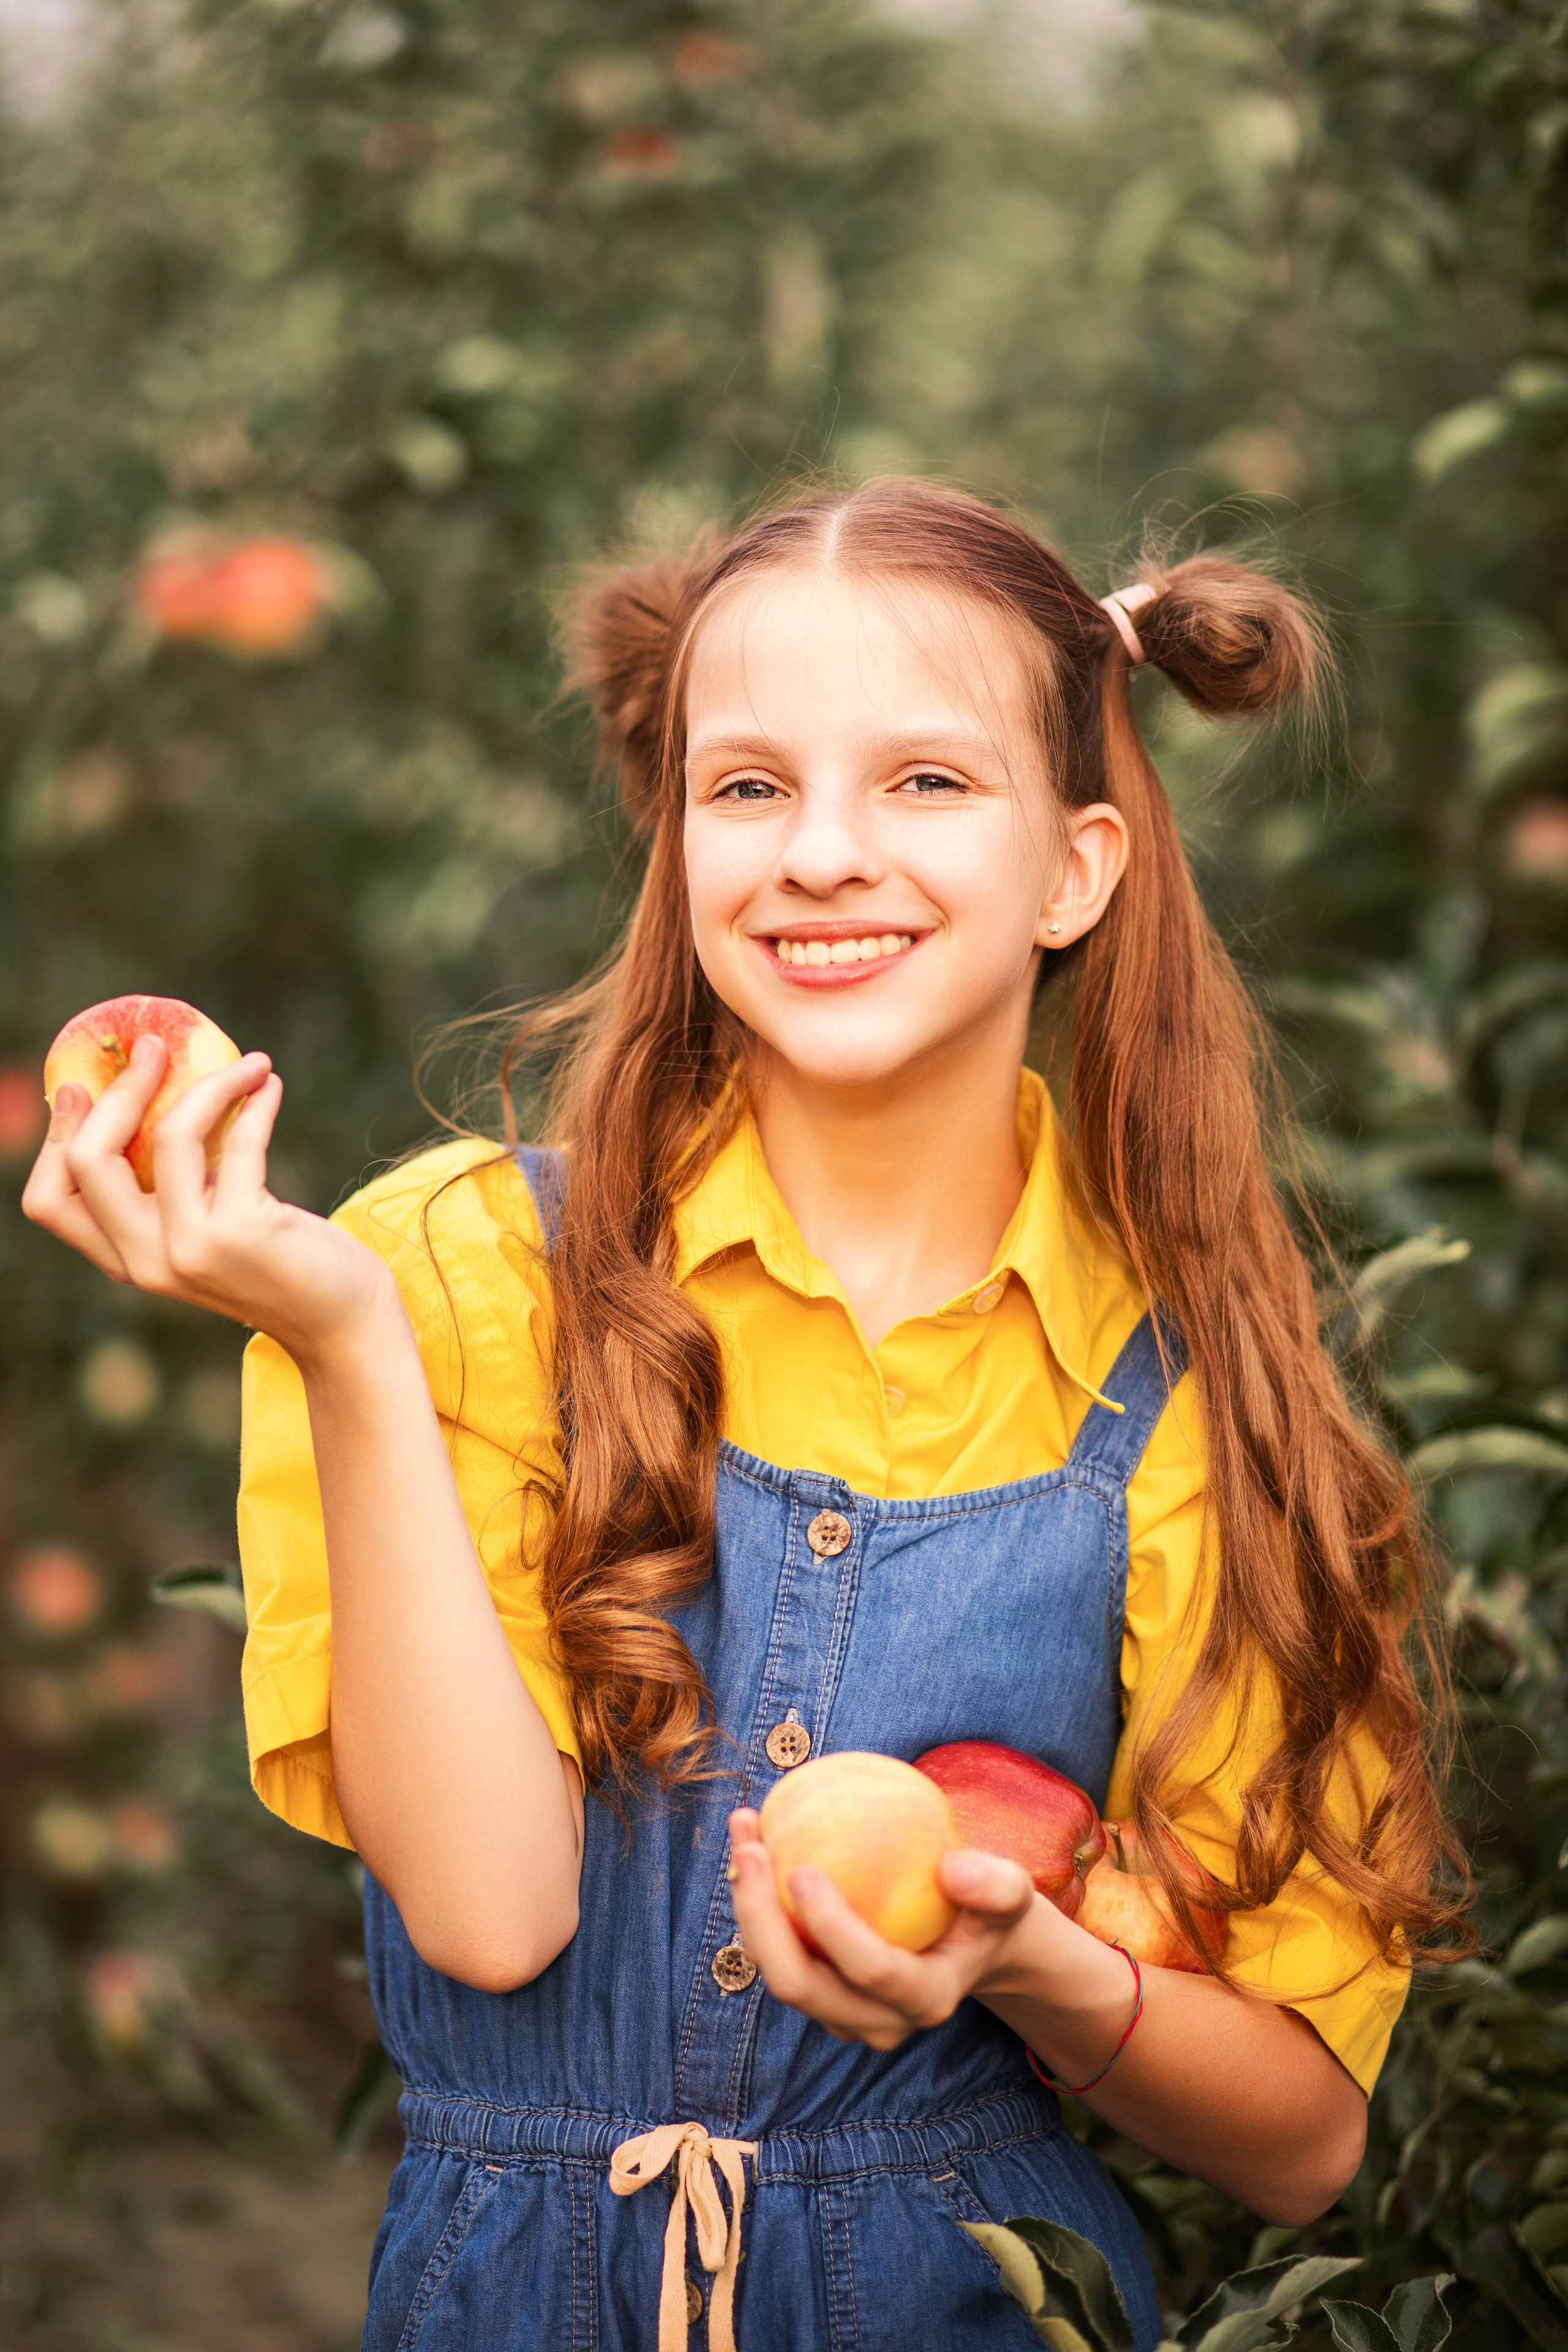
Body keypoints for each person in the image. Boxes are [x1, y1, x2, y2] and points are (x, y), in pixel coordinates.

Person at [25, 479, 1468, 2352]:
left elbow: (1301, 2144)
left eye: (927, 784)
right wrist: (347, 1349)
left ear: (1076, 869)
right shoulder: (456, 1271)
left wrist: (1035, 1964)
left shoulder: (1188, 1399)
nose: (823, 855)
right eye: (751, 788)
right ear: (681, 838)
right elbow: (487, 1914)